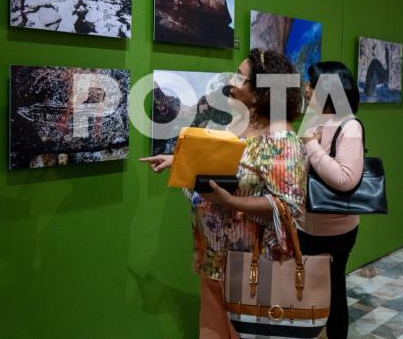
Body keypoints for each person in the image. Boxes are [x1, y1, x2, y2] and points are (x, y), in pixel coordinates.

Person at [140, 49, 307, 338]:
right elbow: (222, 167)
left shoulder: (281, 140)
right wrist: (176, 161)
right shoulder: (239, 126)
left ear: (262, 91)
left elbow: (288, 206)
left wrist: (230, 201)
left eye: (242, 78)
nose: (233, 81)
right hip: (214, 258)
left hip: (252, 266)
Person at [298, 61, 363, 339]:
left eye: (311, 83)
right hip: (305, 225)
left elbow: (345, 178)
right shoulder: (314, 119)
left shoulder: (349, 127)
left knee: (333, 290)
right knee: (309, 290)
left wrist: (310, 144)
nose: (305, 87)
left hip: (334, 230)